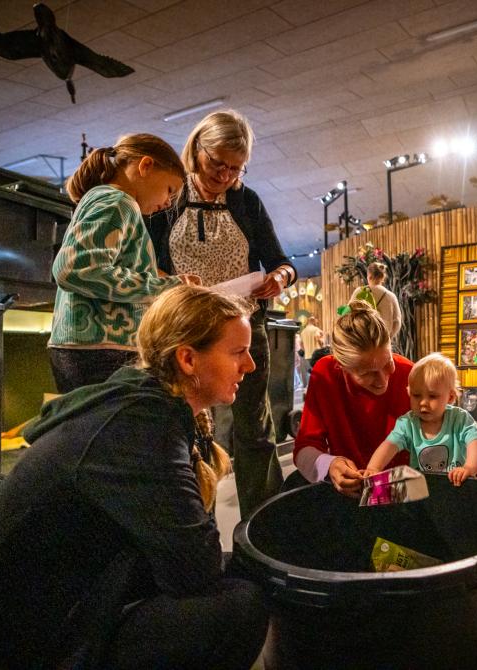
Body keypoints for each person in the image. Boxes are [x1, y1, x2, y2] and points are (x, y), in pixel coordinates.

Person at [0, 285, 268, 669]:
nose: (249, 365)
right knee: (240, 606)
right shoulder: (143, 426)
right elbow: (195, 571)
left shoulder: (144, 404)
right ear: (188, 358)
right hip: (21, 642)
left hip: (64, 604)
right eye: (237, 352)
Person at [148, 109, 296, 519]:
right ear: (197, 149)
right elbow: (145, 264)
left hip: (245, 327)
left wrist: (280, 278)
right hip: (188, 331)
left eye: (235, 168)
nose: (225, 176)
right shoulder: (170, 196)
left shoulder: (246, 201)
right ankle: (194, 521)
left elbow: (281, 261)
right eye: (217, 164)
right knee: (189, 425)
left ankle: (264, 524)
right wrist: (173, 280)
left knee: (255, 427)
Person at [293, 301, 477, 496]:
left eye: (387, 363)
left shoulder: (409, 374)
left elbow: (448, 426)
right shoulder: (325, 375)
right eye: (367, 373)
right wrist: (330, 465)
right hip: (356, 490)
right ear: (341, 366)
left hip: (409, 488)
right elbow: (305, 446)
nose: (382, 380)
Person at [48, 133, 199, 393]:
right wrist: (165, 287)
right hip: (101, 350)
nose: (166, 203)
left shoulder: (106, 199)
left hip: (88, 348)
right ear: (145, 166)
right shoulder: (118, 202)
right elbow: (74, 268)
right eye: (169, 190)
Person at [365, 352, 477, 486]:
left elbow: (475, 441)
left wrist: (469, 467)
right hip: (423, 488)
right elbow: (389, 445)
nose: (423, 402)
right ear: (409, 393)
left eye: (432, 396)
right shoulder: (407, 423)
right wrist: (373, 468)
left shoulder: (460, 419)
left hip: (457, 484)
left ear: (450, 397)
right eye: (416, 395)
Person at [351, 262, 402, 339]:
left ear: (369, 276)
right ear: (383, 277)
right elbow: (397, 322)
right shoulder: (391, 296)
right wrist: (388, 337)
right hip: (383, 341)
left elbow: (348, 314)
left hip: (362, 341)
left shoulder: (359, 292)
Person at [299, 315, 324, 387]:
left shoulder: (303, 331)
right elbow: (318, 337)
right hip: (317, 355)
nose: (317, 322)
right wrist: (322, 345)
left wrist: (305, 350)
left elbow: (301, 344)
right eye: (316, 321)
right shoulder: (316, 329)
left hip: (307, 356)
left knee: (311, 372)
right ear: (313, 321)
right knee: (318, 372)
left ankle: (311, 388)